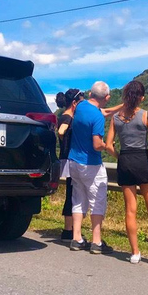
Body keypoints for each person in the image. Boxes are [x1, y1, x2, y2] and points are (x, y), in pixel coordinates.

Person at [105, 80, 148, 265]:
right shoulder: (146, 115)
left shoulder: (116, 118)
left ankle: (134, 253)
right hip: (142, 160)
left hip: (125, 161)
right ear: (141, 97)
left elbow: (108, 145)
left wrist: (119, 156)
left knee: (130, 210)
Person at [68, 81, 113, 254]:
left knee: (78, 199)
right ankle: (96, 241)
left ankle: (76, 238)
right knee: (97, 201)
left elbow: (103, 111)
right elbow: (96, 144)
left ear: (90, 94)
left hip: (74, 161)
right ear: (106, 97)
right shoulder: (97, 117)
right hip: (91, 164)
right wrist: (107, 145)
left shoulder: (79, 107)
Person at [55, 88, 84, 240]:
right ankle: (68, 229)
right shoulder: (68, 117)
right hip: (69, 159)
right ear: (74, 103)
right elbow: (61, 131)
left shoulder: (66, 116)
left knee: (72, 192)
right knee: (72, 193)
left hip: (66, 158)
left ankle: (70, 227)